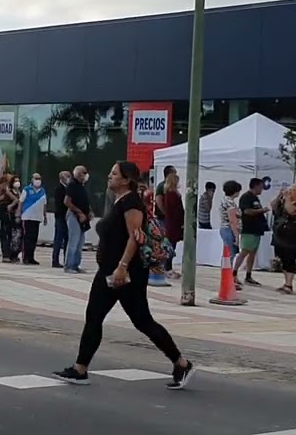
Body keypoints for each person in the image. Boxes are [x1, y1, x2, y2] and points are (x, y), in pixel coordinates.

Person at [53, 160, 193, 389]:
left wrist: (122, 266)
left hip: (126, 272)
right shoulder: (120, 200)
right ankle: (80, 369)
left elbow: (134, 237)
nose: (109, 176)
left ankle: (181, 362)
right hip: (111, 271)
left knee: (141, 321)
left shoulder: (131, 203)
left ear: (126, 179)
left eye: (114, 173)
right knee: (97, 316)